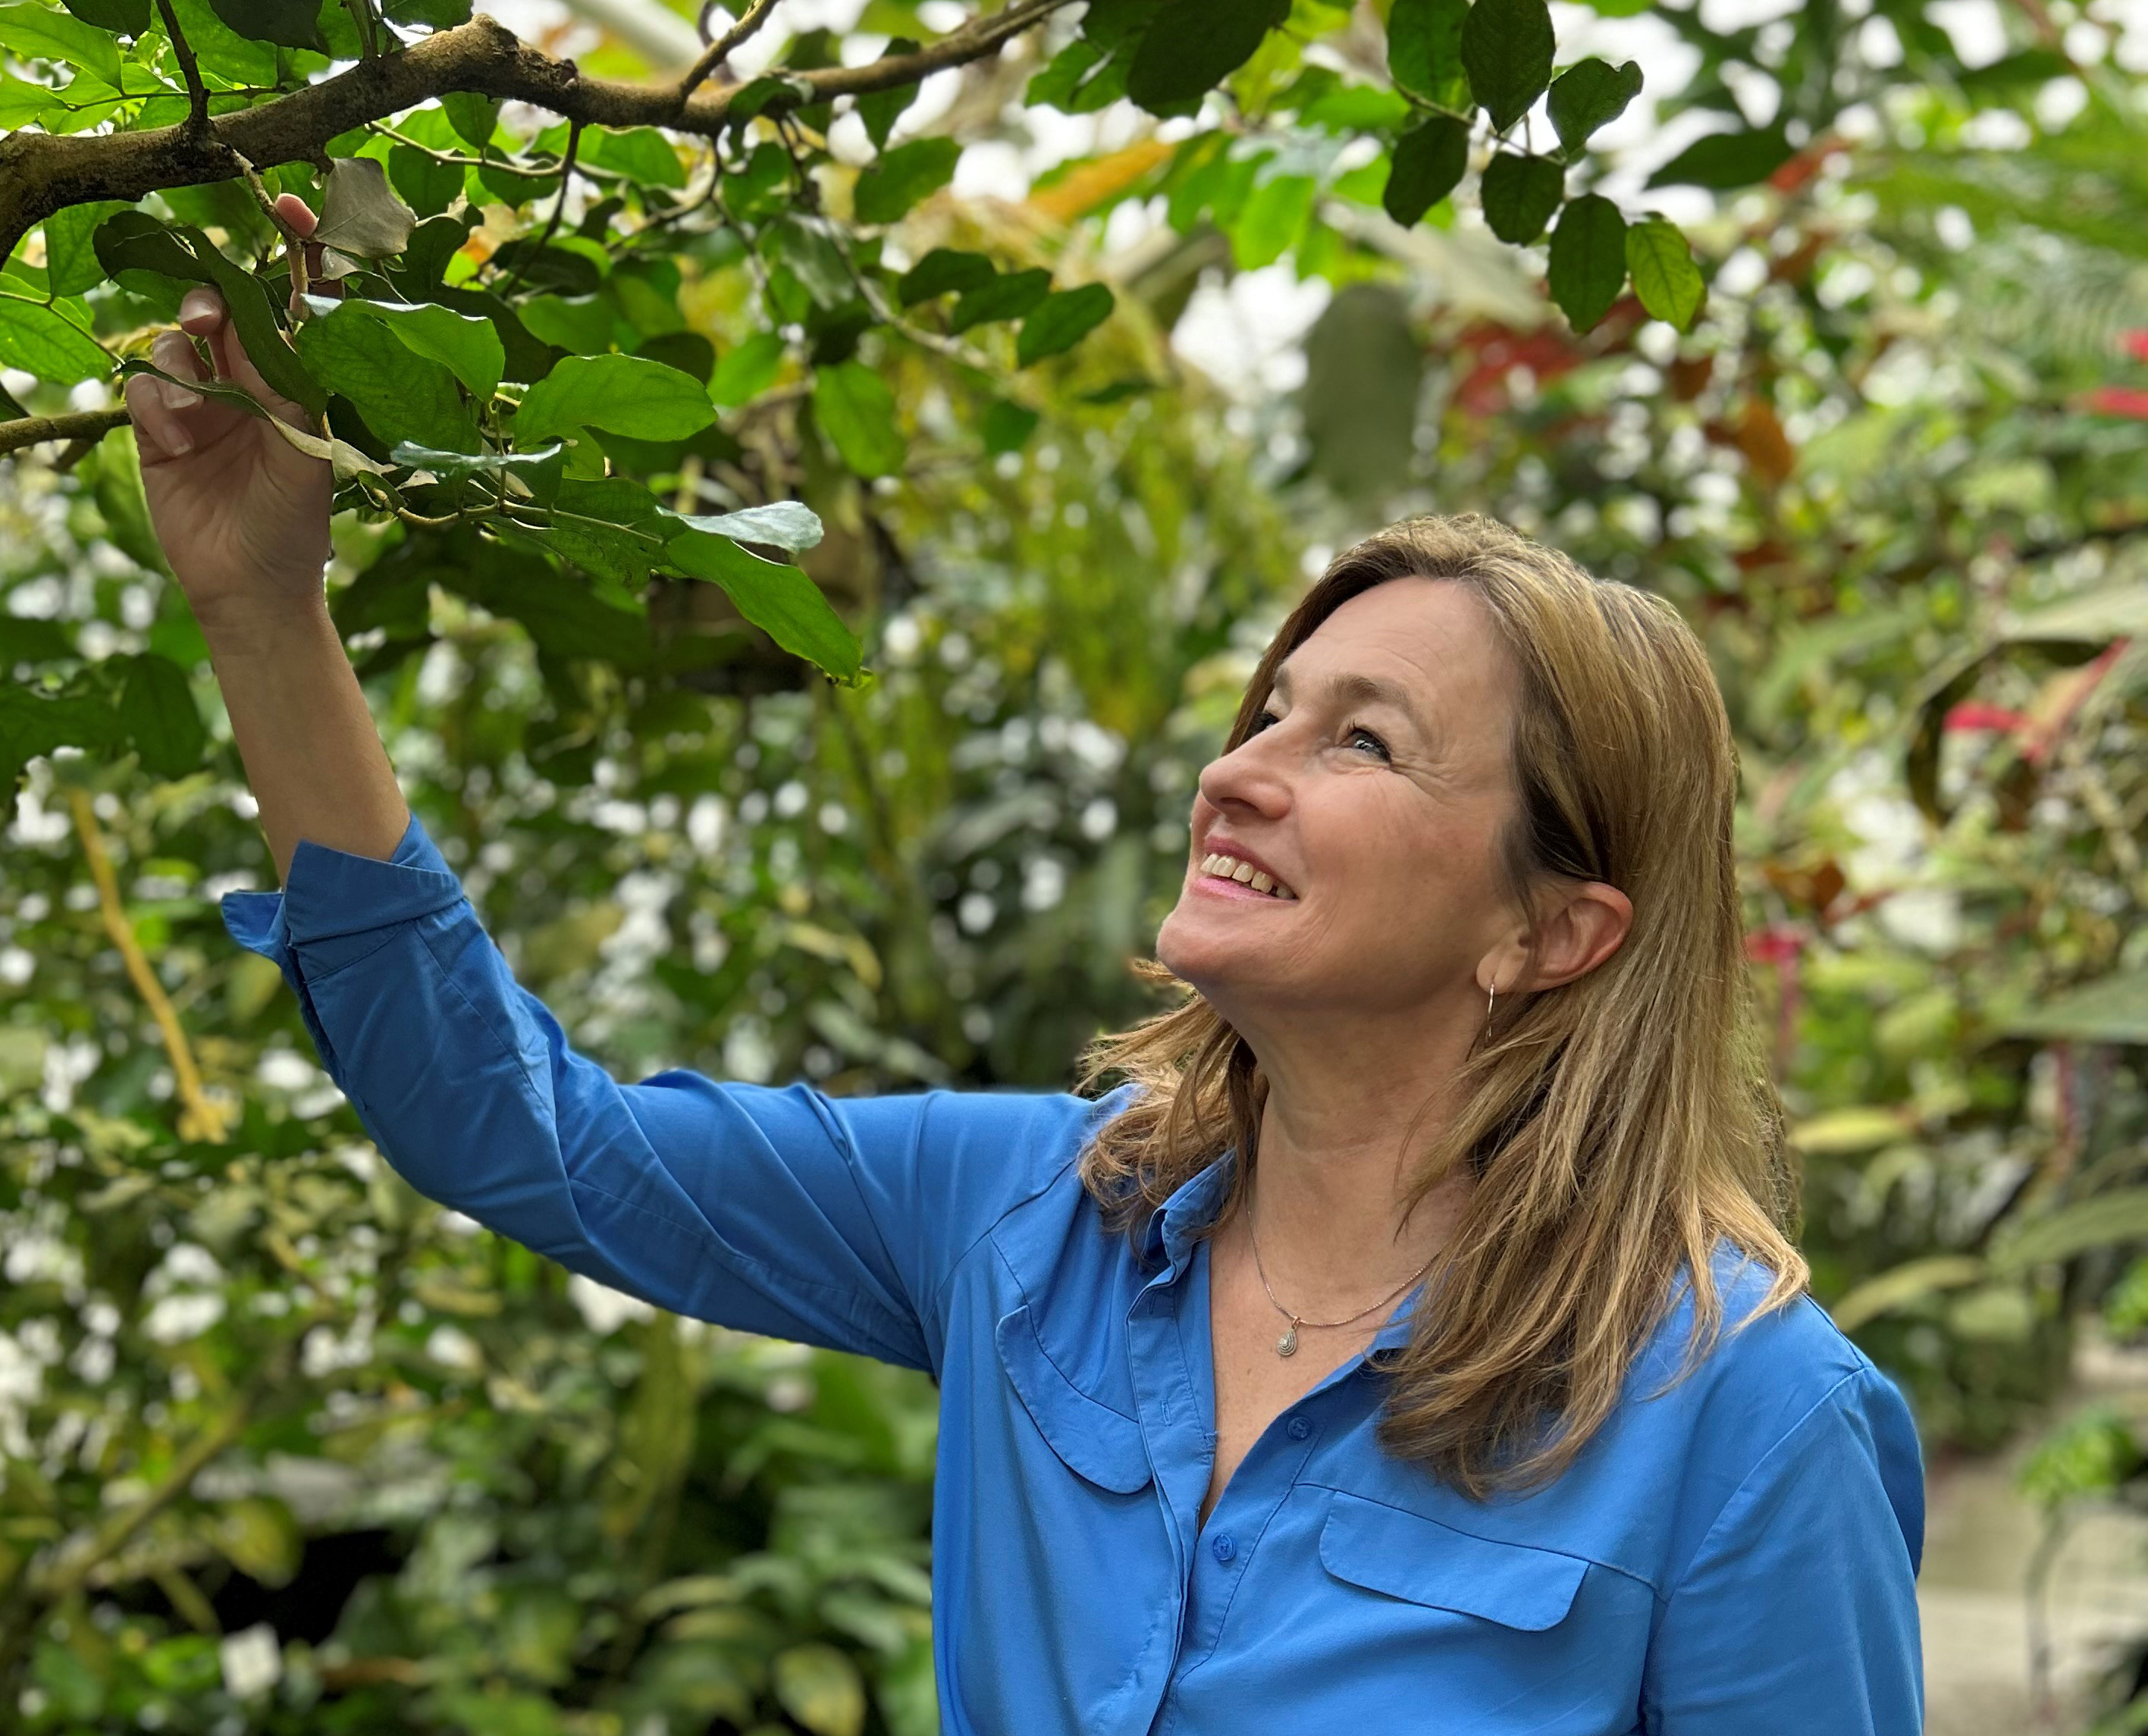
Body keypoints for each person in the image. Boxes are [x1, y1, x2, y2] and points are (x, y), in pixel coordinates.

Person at [129, 205, 1925, 1734]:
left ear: (1550, 929)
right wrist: (263, 601)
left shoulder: (1750, 1418)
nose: (1240, 769)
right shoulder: (1023, 1214)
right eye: (1268, 711)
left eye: (1362, 744)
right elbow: (520, 1130)